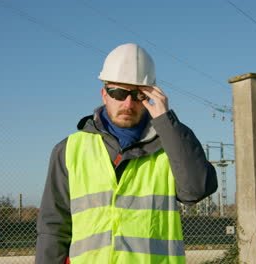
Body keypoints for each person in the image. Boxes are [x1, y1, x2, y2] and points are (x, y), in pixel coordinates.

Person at [36, 43, 217, 264]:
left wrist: (166, 121)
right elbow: (53, 228)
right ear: (104, 94)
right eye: (119, 93)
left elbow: (196, 190)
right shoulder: (69, 150)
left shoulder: (170, 144)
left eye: (137, 94)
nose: (128, 103)